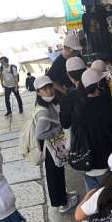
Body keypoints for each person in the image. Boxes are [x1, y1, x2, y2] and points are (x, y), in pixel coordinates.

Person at [33, 75, 78, 213]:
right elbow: (39, 134)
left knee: (58, 172)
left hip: (54, 146)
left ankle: (63, 195)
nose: (49, 91)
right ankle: (62, 203)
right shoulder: (43, 111)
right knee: (54, 176)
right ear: (38, 92)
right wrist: (56, 130)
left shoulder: (49, 103)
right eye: (44, 89)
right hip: (50, 149)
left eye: (50, 87)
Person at [73, 68, 112, 191]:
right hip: (104, 165)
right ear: (99, 86)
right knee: (108, 197)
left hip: (86, 164)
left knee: (92, 198)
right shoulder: (104, 107)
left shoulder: (79, 107)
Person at [59, 56, 87, 130]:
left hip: (82, 135)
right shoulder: (98, 87)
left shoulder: (67, 99)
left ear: (69, 76)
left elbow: (65, 124)